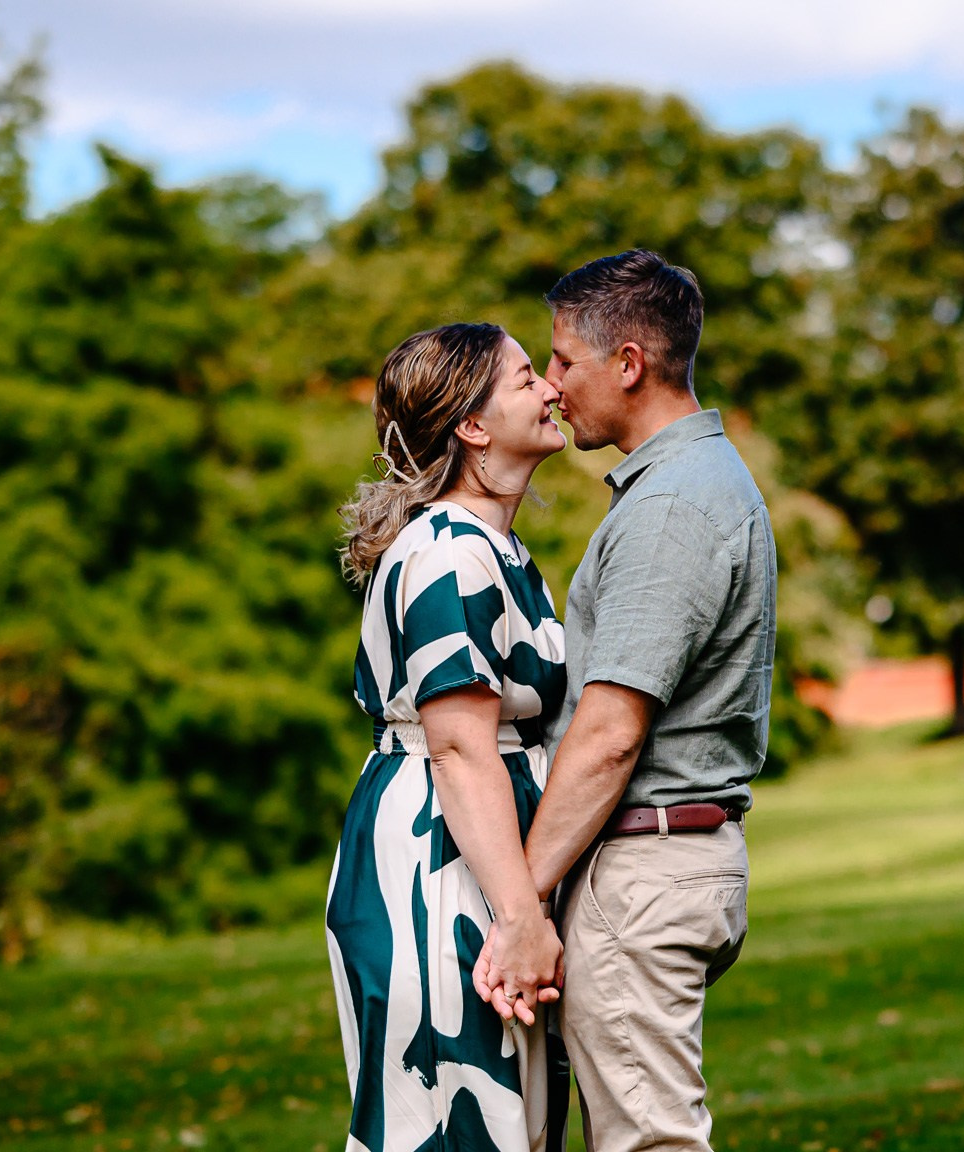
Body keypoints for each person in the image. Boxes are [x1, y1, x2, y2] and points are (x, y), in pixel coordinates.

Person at [477, 250, 778, 1152]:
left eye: (563, 360)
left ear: (630, 364)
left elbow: (611, 733)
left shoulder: (673, 506)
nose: (554, 384)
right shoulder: (690, 485)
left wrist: (518, 908)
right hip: (660, 864)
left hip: (645, 871)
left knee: (650, 1144)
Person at [325, 322, 571, 1152]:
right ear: (472, 425)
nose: (551, 389)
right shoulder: (446, 555)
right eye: (528, 376)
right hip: (442, 868)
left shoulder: (496, 548)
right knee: (456, 1122)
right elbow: (460, 748)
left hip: (480, 858)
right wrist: (520, 916)